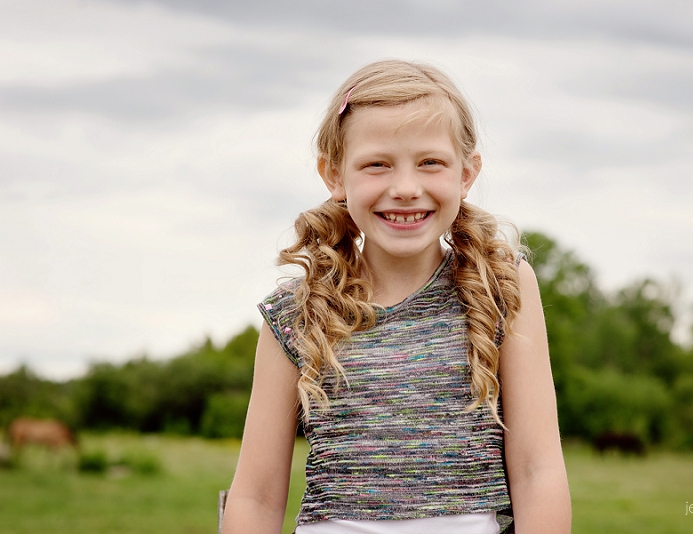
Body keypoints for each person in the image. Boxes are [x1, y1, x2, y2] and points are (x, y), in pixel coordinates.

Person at [222, 59, 571, 534]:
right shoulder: (296, 311)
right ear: (334, 175)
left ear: (467, 173)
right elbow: (256, 497)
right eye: (377, 165)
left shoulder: (503, 284)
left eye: (430, 162)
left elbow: (538, 470)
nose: (405, 189)